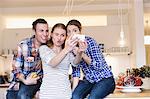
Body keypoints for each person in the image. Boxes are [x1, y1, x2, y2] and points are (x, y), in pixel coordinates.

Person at [66, 19, 116, 99]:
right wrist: (74, 92)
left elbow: (98, 66)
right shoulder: (71, 48)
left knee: (92, 97)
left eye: (75, 30)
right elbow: (76, 71)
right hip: (89, 81)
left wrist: (81, 54)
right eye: (69, 31)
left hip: (105, 79)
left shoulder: (90, 42)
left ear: (80, 31)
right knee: (75, 96)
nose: (72, 34)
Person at [39, 23, 86, 99]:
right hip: (47, 93)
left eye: (62, 35)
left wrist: (80, 52)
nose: (59, 38)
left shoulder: (68, 51)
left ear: (65, 37)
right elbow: (52, 63)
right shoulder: (44, 49)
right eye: (56, 34)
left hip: (65, 93)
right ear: (51, 35)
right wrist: (66, 49)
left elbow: (75, 63)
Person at [6, 18, 49, 99]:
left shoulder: (49, 46)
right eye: (41, 31)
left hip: (37, 81)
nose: (45, 34)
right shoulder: (23, 45)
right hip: (21, 80)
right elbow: (16, 69)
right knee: (11, 96)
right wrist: (25, 81)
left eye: (47, 31)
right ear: (34, 31)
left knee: (22, 96)